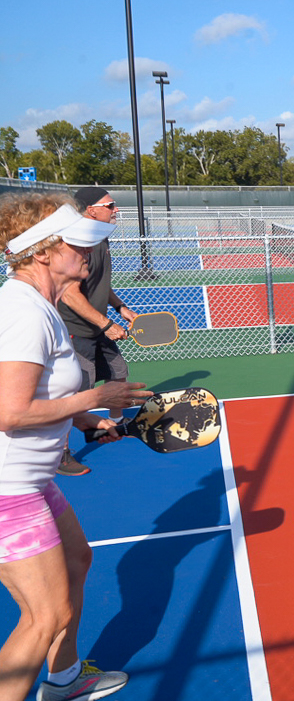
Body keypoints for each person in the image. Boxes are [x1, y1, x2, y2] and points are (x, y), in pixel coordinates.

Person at [0, 191, 152, 701]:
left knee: (76, 562)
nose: (88, 254)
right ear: (41, 251)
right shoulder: (23, 312)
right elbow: (10, 412)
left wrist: (88, 420)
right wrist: (98, 395)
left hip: (30, 480)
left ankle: (64, 681)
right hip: (8, 488)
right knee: (44, 617)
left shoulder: (40, 306)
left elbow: (45, 395)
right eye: (77, 245)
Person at [55, 188, 137, 477]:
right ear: (91, 209)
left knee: (118, 372)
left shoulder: (99, 238)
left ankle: (114, 425)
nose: (116, 210)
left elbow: (100, 282)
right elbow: (70, 295)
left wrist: (120, 307)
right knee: (78, 392)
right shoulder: (76, 242)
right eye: (110, 205)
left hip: (98, 325)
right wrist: (106, 325)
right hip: (77, 331)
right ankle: (62, 454)